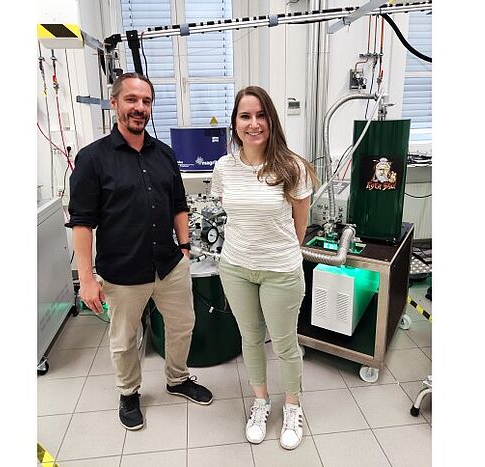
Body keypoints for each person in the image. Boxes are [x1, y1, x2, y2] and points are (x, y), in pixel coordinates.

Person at [66, 72, 213, 431]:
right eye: (131, 99)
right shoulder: (92, 159)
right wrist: (87, 279)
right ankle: (129, 393)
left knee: (182, 325)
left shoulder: (163, 153)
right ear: (114, 103)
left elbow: (179, 204)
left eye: (146, 101)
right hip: (122, 269)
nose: (139, 108)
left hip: (169, 262)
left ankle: (177, 379)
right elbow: (82, 223)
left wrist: (184, 247)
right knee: (124, 338)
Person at [210, 85, 318, 450]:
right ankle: (260, 402)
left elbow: (300, 225)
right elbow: (232, 213)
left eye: (260, 115)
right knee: (250, 338)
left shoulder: (293, 167)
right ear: (235, 123)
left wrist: (280, 252)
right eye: (245, 116)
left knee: (285, 343)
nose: (253, 123)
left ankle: (292, 406)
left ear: (271, 120)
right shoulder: (223, 168)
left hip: (280, 271)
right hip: (236, 267)